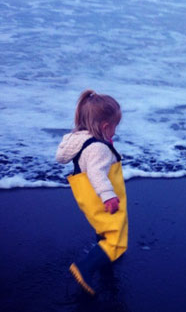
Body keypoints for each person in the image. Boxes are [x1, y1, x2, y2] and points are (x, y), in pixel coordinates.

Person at [56, 90, 128, 296]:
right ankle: (86, 266)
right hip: (102, 197)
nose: (115, 131)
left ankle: (102, 250)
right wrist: (108, 195)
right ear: (105, 126)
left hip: (88, 198)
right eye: (114, 127)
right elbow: (97, 173)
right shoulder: (99, 149)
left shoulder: (80, 140)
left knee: (103, 227)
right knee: (117, 239)